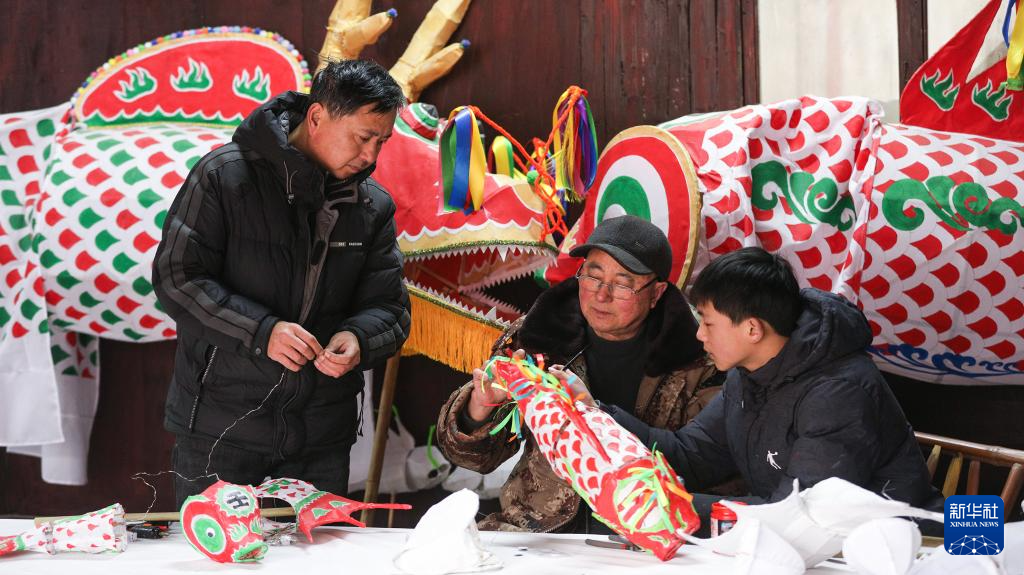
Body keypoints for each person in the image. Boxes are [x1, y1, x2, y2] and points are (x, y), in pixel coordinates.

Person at [153, 60, 411, 507]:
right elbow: (177, 278)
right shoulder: (224, 176)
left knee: (318, 552)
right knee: (217, 550)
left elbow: (391, 308)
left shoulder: (372, 206)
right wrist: (261, 332)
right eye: (362, 137)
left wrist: (358, 339)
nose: (371, 156)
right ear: (317, 117)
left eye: (381, 142)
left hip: (321, 440)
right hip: (219, 431)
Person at [596, 247, 944, 531]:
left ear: (752, 329)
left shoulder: (839, 393)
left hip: (909, 546)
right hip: (816, 548)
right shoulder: (747, 374)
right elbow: (691, 455)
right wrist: (597, 416)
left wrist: (673, 506)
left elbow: (799, 516)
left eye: (708, 323)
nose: (700, 334)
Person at [437, 215, 722, 533]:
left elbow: (704, 465)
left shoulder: (698, 357)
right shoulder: (536, 337)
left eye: (622, 284)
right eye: (593, 276)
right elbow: (475, 459)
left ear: (655, 294)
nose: (601, 295)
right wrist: (479, 409)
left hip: (647, 532)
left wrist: (596, 417)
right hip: (538, 530)